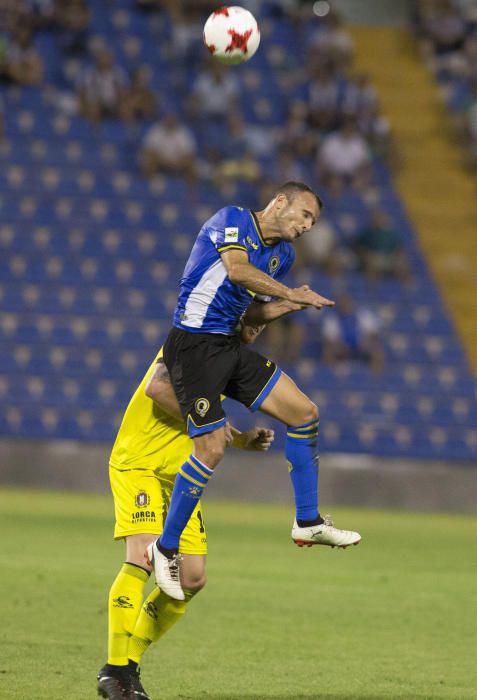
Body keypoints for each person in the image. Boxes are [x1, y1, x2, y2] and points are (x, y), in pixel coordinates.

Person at [147, 181, 361, 602]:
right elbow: (236, 270)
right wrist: (289, 292)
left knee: (303, 412)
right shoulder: (232, 220)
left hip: (227, 343)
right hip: (192, 346)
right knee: (210, 449)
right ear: (280, 202)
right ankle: (165, 548)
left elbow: (249, 315)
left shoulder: (283, 257)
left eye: (313, 222)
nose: (307, 226)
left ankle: (307, 521)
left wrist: (287, 306)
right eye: (304, 215)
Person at [97, 316, 284, 700]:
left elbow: (202, 421)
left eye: (263, 325)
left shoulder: (226, 359)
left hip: (178, 475)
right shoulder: (193, 340)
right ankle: (114, 672)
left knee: (191, 578)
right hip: (142, 462)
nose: (257, 330)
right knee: (144, 558)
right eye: (254, 319)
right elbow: (158, 389)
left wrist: (241, 440)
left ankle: (128, 667)